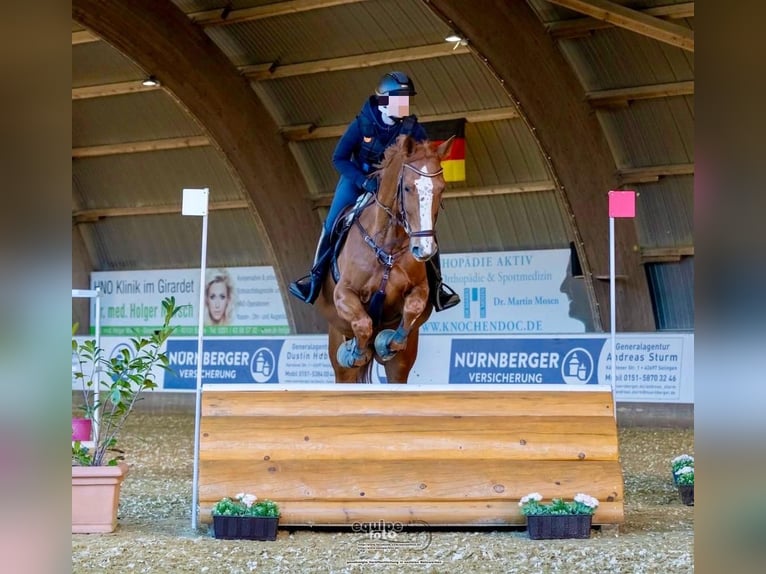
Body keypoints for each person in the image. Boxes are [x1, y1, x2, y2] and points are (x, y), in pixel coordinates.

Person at [288, 71, 460, 311]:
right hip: (358, 179)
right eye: (399, 98)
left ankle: (438, 287)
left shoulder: (413, 128)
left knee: (425, 229)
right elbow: (338, 158)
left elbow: (423, 158)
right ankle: (314, 278)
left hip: (396, 186)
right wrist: (363, 181)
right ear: (384, 100)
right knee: (331, 223)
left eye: (407, 99)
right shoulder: (362, 124)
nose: (404, 104)